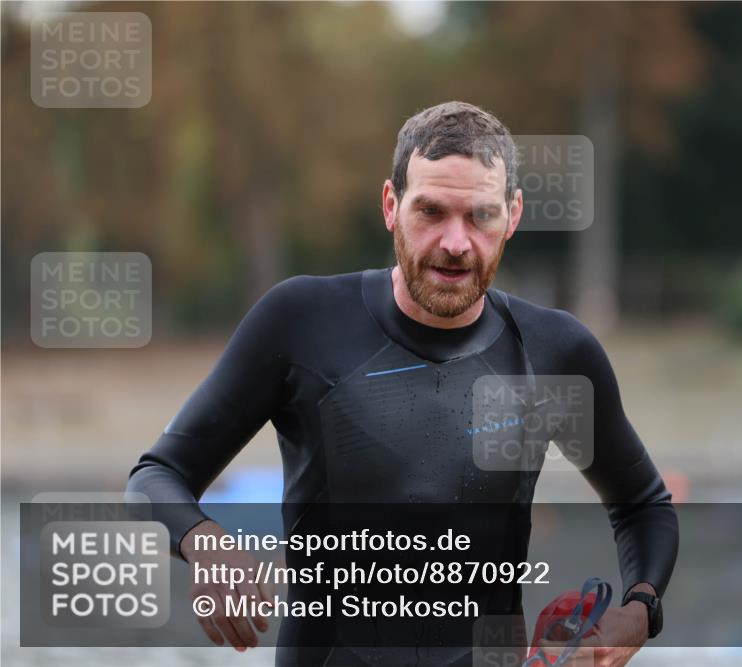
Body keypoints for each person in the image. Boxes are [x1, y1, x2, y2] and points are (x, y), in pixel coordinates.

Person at [127, 100, 678, 667]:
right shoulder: (301, 321)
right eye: (431, 212)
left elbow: (642, 505)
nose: (456, 243)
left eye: (480, 216)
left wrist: (637, 612)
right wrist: (205, 542)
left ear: (512, 215)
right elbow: (155, 477)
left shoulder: (557, 352)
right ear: (391, 206)